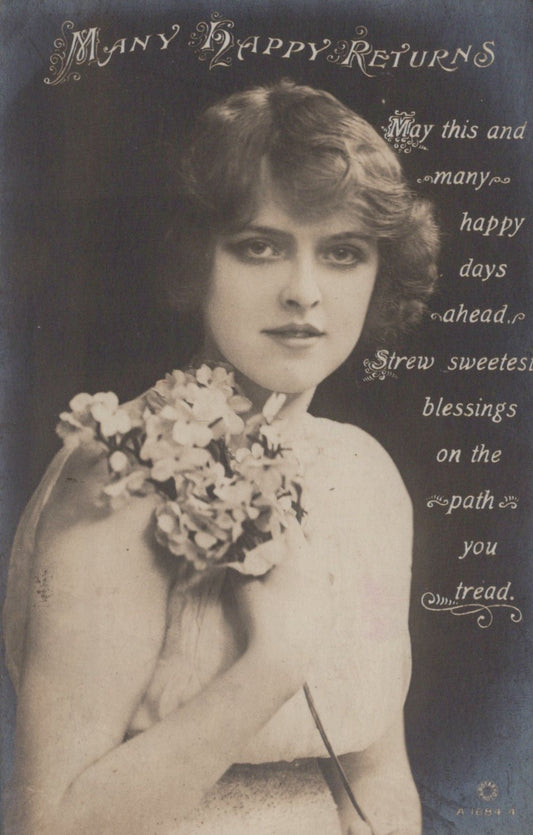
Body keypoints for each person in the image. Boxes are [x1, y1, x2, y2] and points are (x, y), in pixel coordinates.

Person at [3, 81, 438, 834]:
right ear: (191, 258)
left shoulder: (364, 474)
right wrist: (272, 664)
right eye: (259, 247)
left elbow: (379, 776)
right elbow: (52, 822)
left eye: (341, 253)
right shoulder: (118, 470)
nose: (303, 293)